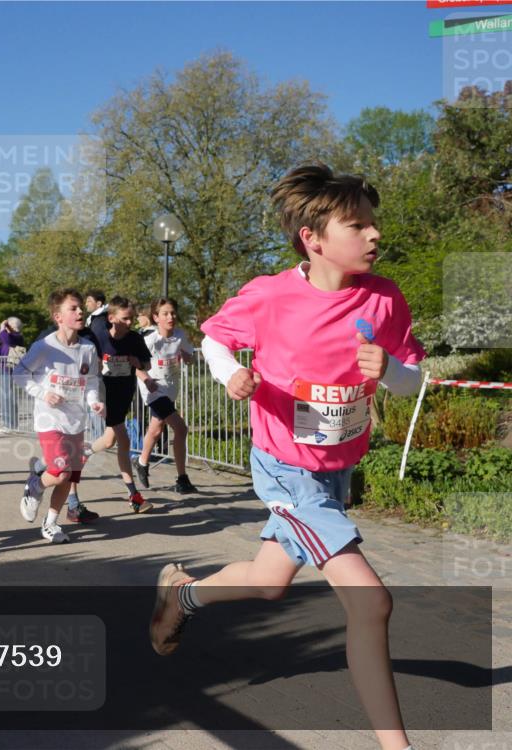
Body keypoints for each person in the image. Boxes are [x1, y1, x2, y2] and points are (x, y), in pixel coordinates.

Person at [150, 163, 425, 750]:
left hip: (335, 472)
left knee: (271, 581)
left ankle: (183, 594)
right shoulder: (271, 294)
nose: (375, 235)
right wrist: (231, 377)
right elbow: (215, 338)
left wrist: (392, 370)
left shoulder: (384, 299)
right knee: (371, 602)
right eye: (358, 225)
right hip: (285, 468)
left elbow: (412, 379)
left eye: (374, 224)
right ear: (314, 238)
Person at [14, 288, 104, 543]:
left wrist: (95, 402)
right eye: (73, 308)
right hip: (49, 419)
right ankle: (35, 486)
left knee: (70, 476)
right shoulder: (44, 346)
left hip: (76, 421)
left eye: (80, 308)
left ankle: (50, 523)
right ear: (58, 316)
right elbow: (20, 374)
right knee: (61, 471)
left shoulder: (87, 348)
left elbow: (92, 380)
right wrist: (43, 394)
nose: (80, 312)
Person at [88, 296, 155, 513]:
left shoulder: (134, 338)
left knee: (109, 441)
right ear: (112, 318)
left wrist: (140, 365)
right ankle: (133, 496)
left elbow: (147, 362)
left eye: (132, 318)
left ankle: (83, 453)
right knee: (123, 441)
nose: (130, 323)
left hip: (123, 394)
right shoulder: (98, 335)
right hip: (101, 395)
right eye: (125, 319)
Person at [133, 298, 198, 495]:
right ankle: (182, 478)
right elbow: (135, 366)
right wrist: (146, 380)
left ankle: (141, 462)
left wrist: (188, 357)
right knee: (181, 428)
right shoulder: (150, 340)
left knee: (156, 428)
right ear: (156, 318)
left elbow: (191, 357)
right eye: (165, 314)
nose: (171, 317)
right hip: (154, 390)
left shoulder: (180, 336)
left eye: (173, 313)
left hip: (170, 389)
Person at [0, 317, 26, 431]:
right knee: (4, 398)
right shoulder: (7, 340)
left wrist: (3, 326)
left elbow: (5, 337)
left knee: (7, 398)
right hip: (4, 370)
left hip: (10, 371)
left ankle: (10, 425)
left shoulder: (17, 337)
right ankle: (9, 424)